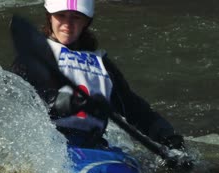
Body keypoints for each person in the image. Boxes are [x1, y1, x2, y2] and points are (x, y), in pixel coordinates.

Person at [12, 0, 185, 151]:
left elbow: (134, 108)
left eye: (76, 17)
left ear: (86, 22)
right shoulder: (34, 58)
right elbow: (19, 102)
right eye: (61, 15)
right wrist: (63, 102)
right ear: (50, 17)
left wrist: (169, 138)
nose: (67, 24)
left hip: (93, 145)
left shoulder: (102, 63)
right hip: (49, 144)